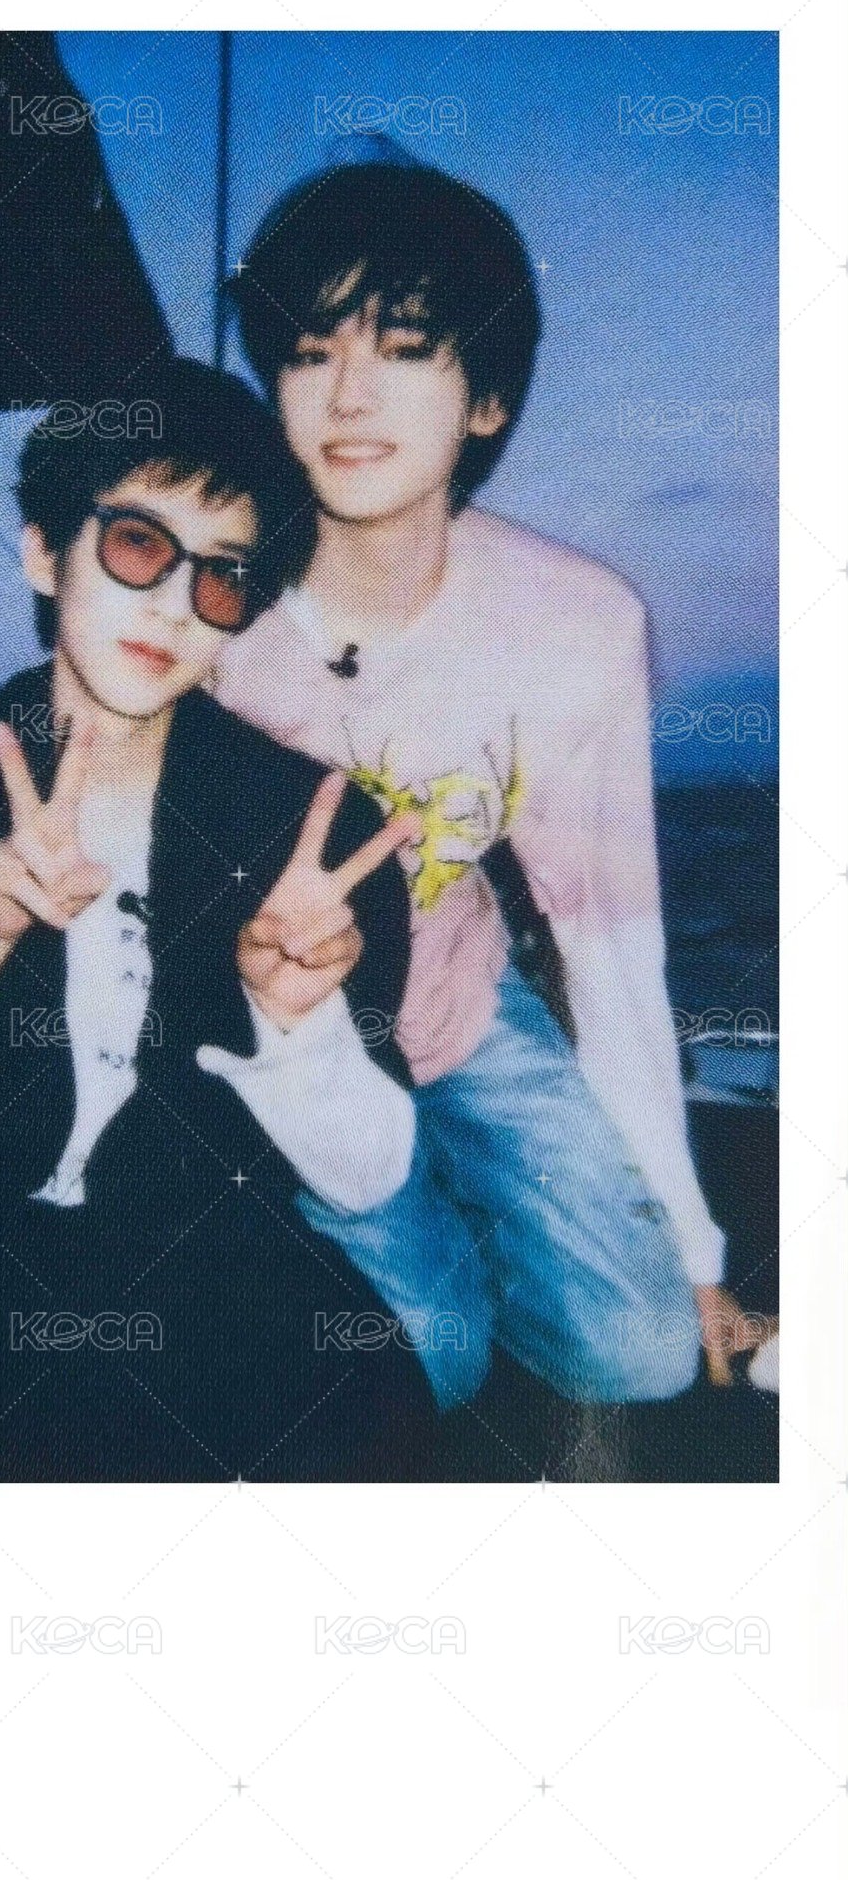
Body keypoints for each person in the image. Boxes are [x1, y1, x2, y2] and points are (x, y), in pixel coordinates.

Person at [0, 356, 445, 1482]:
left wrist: (295, 1017)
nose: (174, 604)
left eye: (221, 577)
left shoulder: (306, 825)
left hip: (218, 1280)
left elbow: (362, 1178)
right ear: (42, 549)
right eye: (138, 545)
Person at [216, 160, 770, 1407]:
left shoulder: (577, 625)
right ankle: (421, 1238)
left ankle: (465, 1206)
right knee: (425, 1360)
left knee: (640, 1354)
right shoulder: (213, 614)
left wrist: (691, 1252)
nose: (347, 396)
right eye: (308, 353)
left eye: (405, 350)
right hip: (284, 1039)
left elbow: (606, 945)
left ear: (487, 398)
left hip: (463, 1004)